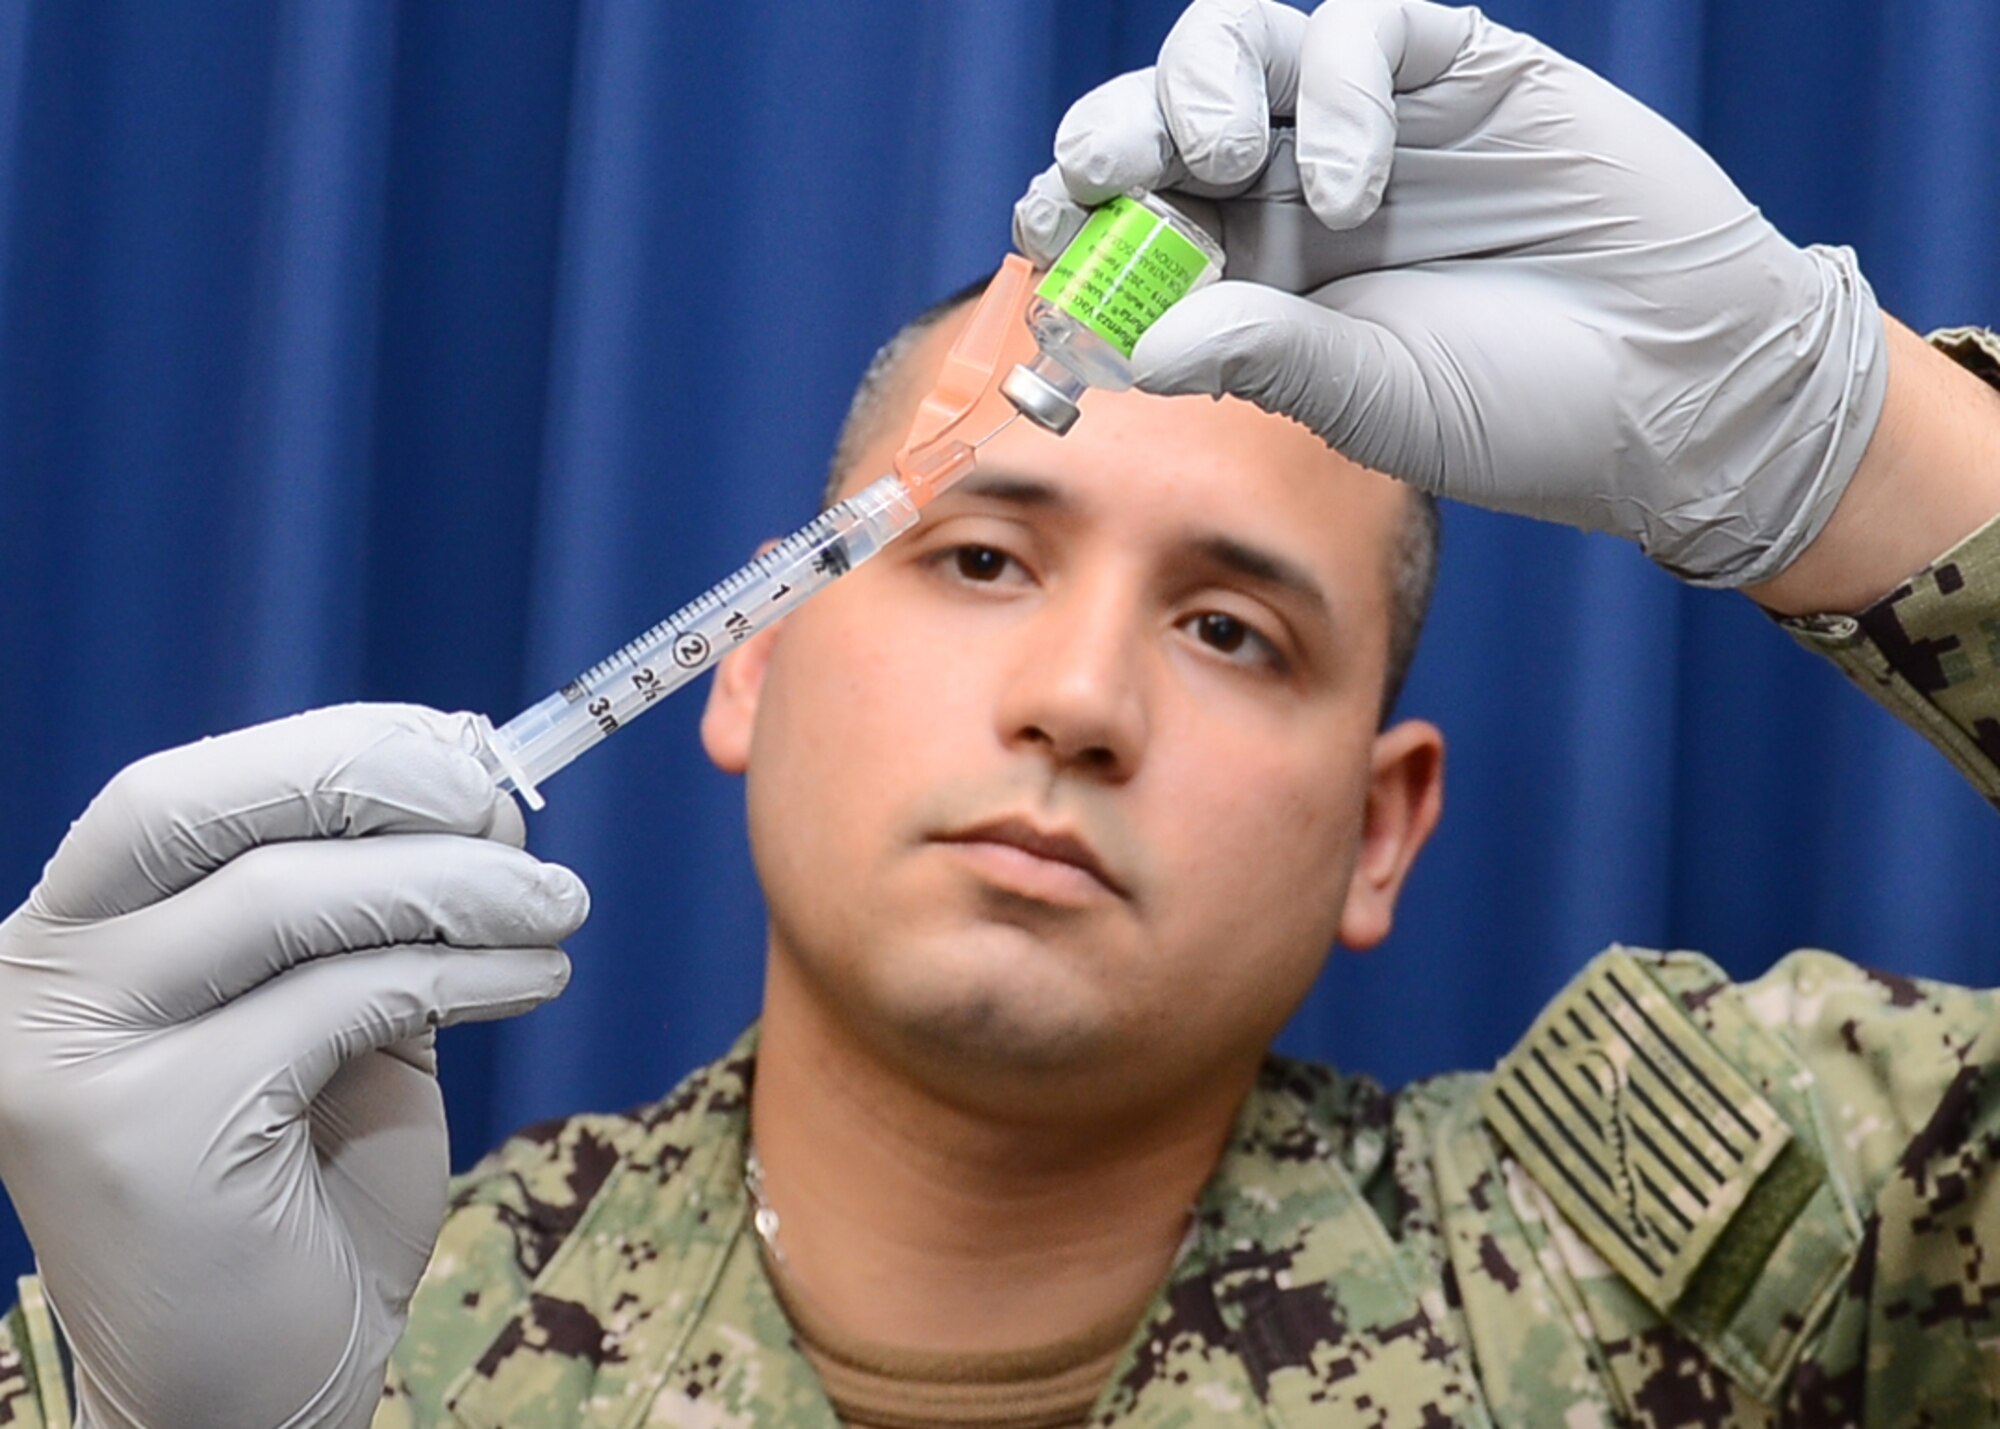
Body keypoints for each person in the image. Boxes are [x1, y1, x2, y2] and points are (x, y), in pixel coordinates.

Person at [1, 1, 1997, 1425]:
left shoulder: (1752, 1270)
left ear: (1382, 825)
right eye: (974, 559)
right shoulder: (305, 1336)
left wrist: (1858, 449)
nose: (1073, 700)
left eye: (1234, 631)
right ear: (751, 655)